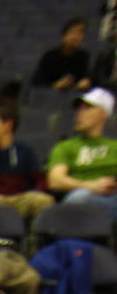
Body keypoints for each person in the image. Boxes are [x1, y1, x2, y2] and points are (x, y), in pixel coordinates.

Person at [45, 88, 117, 219]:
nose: (79, 113)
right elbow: (55, 180)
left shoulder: (114, 147)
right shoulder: (65, 146)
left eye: (87, 108)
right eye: (79, 109)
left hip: (112, 199)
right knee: (80, 196)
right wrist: (91, 186)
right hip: (82, 200)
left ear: (103, 113)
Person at [32, 18, 91, 92]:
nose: (76, 37)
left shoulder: (84, 57)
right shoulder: (50, 56)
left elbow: (87, 77)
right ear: (64, 36)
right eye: (73, 32)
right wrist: (55, 85)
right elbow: (37, 82)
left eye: (80, 33)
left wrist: (85, 83)